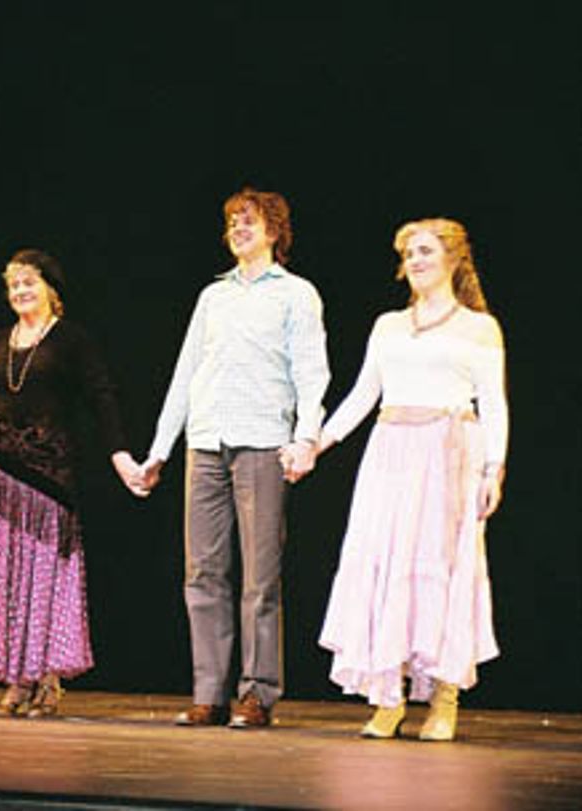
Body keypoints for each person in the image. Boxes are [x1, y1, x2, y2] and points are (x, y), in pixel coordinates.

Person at [0, 248, 143, 718]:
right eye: (14, 285)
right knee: (3, 580)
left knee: (43, 578)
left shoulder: (72, 341)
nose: (20, 292)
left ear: (52, 290)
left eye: (29, 283)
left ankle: (48, 679)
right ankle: (16, 681)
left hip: (47, 478)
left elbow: (102, 399)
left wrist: (120, 455)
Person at [137, 188, 330, 728]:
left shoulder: (296, 294)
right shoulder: (212, 297)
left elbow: (312, 373)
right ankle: (209, 692)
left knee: (259, 576)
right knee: (202, 572)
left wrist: (306, 437)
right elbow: (184, 375)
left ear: (274, 231)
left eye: (250, 220)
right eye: (231, 222)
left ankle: (258, 692)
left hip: (264, 441)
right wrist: (159, 451)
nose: (239, 229)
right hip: (206, 440)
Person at [316, 218, 507, 741]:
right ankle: (388, 698)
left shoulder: (478, 328)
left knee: (443, 567)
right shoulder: (388, 325)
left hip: (448, 453)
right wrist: (319, 441)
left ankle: (445, 698)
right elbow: (362, 395)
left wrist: (494, 467)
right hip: (391, 453)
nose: (416, 261)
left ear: (452, 259)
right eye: (409, 253)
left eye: (425, 251)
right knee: (385, 564)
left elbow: (494, 403)